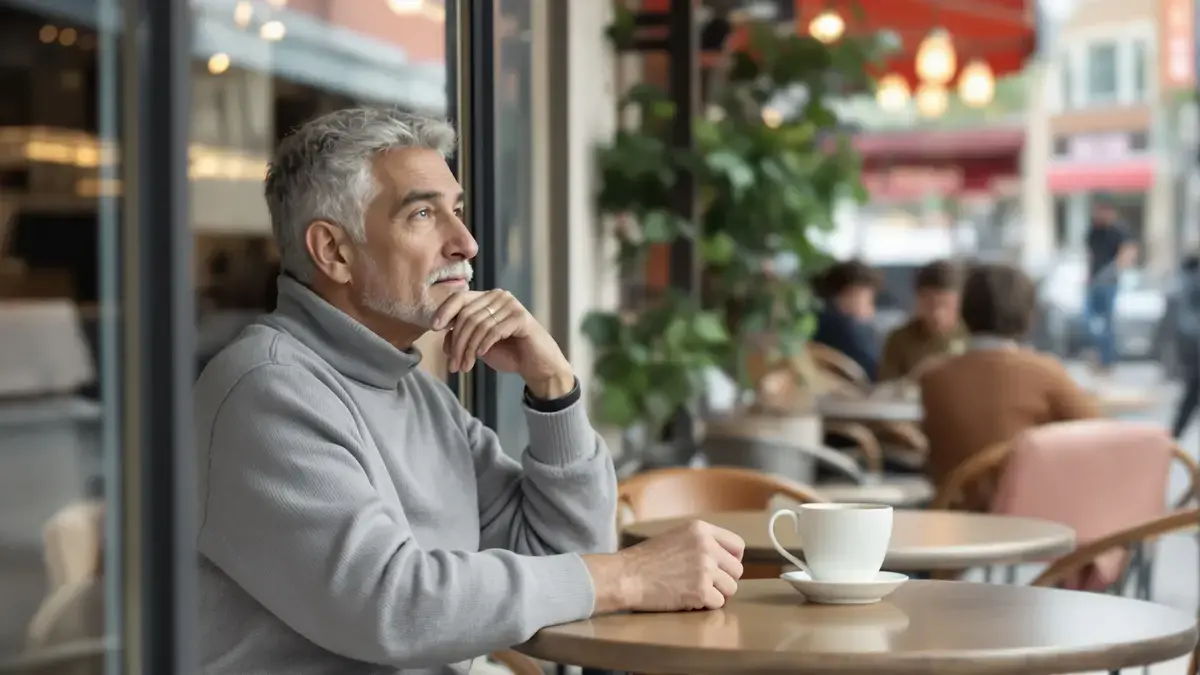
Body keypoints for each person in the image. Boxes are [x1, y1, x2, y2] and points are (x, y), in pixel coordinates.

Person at [193, 108, 746, 675]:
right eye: (424, 214)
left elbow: (561, 556)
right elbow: (393, 606)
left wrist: (552, 388)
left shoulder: (419, 396)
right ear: (334, 252)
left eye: (456, 212)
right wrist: (630, 577)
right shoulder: (265, 392)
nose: (466, 243)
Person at [919, 263, 1099, 509]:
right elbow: (1098, 435)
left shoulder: (933, 377)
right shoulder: (1044, 371)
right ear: (1029, 314)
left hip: (953, 517)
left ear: (964, 312)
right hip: (1031, 522)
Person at [878, 259, 966, 381]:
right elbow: (885, 390)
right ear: (917, 301)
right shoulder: (899, 340)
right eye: (929, 304)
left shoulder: (971, 336)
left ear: (959, 302)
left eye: (945, 304)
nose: (937, 313)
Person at [1084, 199, 1137, 372]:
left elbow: (1128, 252)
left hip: (1109, 283)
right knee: (1089, 321)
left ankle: (1106, 361)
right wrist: (1088, 277)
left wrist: (1113, 272)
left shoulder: (1119, 230)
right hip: (1094, 282)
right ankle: (1097, 356)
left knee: (1107, 324)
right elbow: (1090, 255)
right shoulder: (1093, 230)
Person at [811, 260, 882, 381]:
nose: (872, 309)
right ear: (850, 294)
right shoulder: (847, 329)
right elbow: (877, 373)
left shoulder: (815, 323)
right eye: (869, 299)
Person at [1172, 253, 1200, 438]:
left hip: (1192, 345)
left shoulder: (1188, 278)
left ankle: (1172, 439)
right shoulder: (1193, 281)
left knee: (1191, 393)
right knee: (1192, 393)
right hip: (1195, 344)